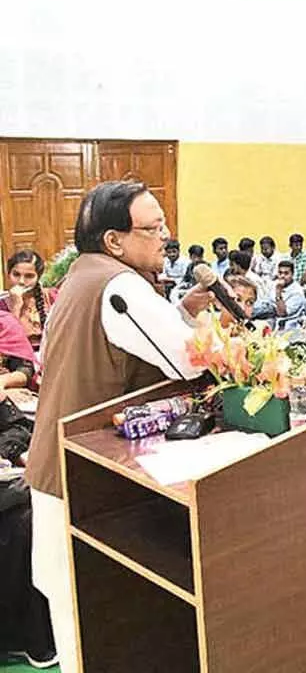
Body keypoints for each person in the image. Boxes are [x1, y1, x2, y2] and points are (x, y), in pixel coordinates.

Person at [27, 182, 212, 673]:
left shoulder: (82, 277)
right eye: (153, 229)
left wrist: (182, 312)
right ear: (114, 240)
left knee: (81, 624)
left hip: (60, 469)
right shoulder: (120, 286)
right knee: (95, 628)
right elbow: (192, 361)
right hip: (84, 483)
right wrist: (211, 334)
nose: (166, 238)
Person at [0, 250, 57, 350]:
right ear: (8, 274)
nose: (21, 281)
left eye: (29, 276)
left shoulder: (51, 296)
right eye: (16, 275)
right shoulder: (2, 305)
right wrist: (16, 306)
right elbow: (8, 341)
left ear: (38, 277)